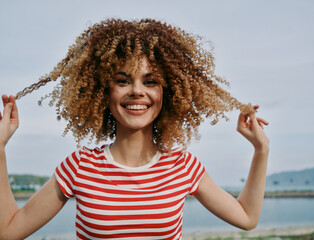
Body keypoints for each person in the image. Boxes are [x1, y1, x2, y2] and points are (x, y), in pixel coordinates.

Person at [0, 19, 269, 239]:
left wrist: (261, 149)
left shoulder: (183, 166)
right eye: (123, 81)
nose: (137, 91)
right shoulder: (79, 166)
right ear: (104, 93)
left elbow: (246, 218)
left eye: (150, 81)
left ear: (168, 93)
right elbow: (8, 230)